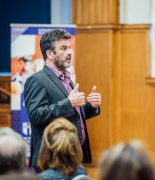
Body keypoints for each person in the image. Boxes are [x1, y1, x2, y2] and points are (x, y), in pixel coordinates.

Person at [24, 29, 101, 169]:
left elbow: (72, 114)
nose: (70, 52)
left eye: (70, 47)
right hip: (51, 160)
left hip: (72, 156)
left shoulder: (66, 79)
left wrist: (91, 106)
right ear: (50, 54)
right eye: (64, 48)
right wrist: (69, 103)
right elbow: (36, 116)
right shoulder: (37, 80)